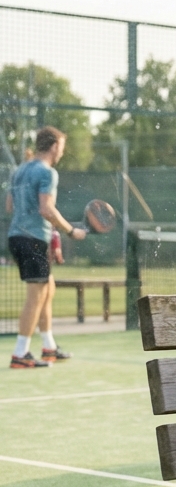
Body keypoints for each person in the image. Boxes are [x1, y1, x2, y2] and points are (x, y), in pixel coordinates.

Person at [7, 126, 82, 369]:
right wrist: (71, 231)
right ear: (53, 146)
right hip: (32, 239)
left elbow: (10, 206)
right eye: (61, 146)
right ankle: (20, 353)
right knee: (35, 296)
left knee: (47, 289)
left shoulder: (19, 170)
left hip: (17, 237)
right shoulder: (47, 172)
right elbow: (46, 209)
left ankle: (49, 346)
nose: (62, 151)